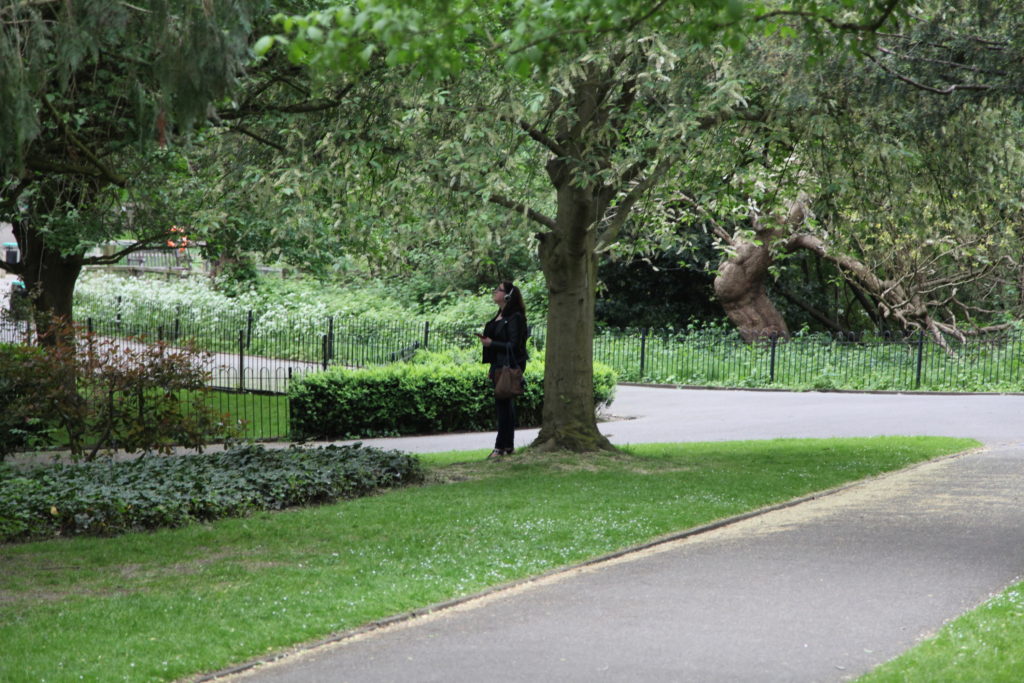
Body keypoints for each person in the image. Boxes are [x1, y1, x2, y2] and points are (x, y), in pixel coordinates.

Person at [480, 280, 528, 459]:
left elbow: (515, 345)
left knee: (504, 404)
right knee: (504, 405)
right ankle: (507, 445)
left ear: (508, 295)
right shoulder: (499, 315)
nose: (495, 292)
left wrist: (492, 343)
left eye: (498, 290)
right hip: (498, 364)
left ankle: (501, 447)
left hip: (509, 365)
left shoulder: (515, 317)